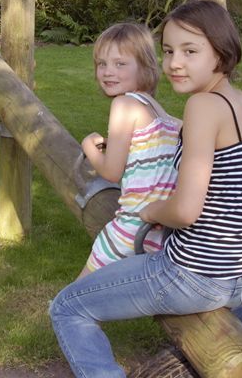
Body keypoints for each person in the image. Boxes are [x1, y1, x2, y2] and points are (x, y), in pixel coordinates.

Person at [49, 0, 242, 378]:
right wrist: (230, 204)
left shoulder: (201, 106)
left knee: (68, 306)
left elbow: (184, 212)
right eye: (168, 51)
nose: (174, 63)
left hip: (193, 275)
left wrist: (151, 211)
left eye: (190, 51)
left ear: (221, 52)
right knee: (225, 300)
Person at [77, 23, 181, 279]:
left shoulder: (123, 104)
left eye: (120, 64)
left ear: (145, 67)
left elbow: (112, 172)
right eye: (102, 64)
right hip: (159, 231)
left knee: (74, 298)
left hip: (130, 227)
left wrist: (89, 146)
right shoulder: (161, 113)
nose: (108, 72)